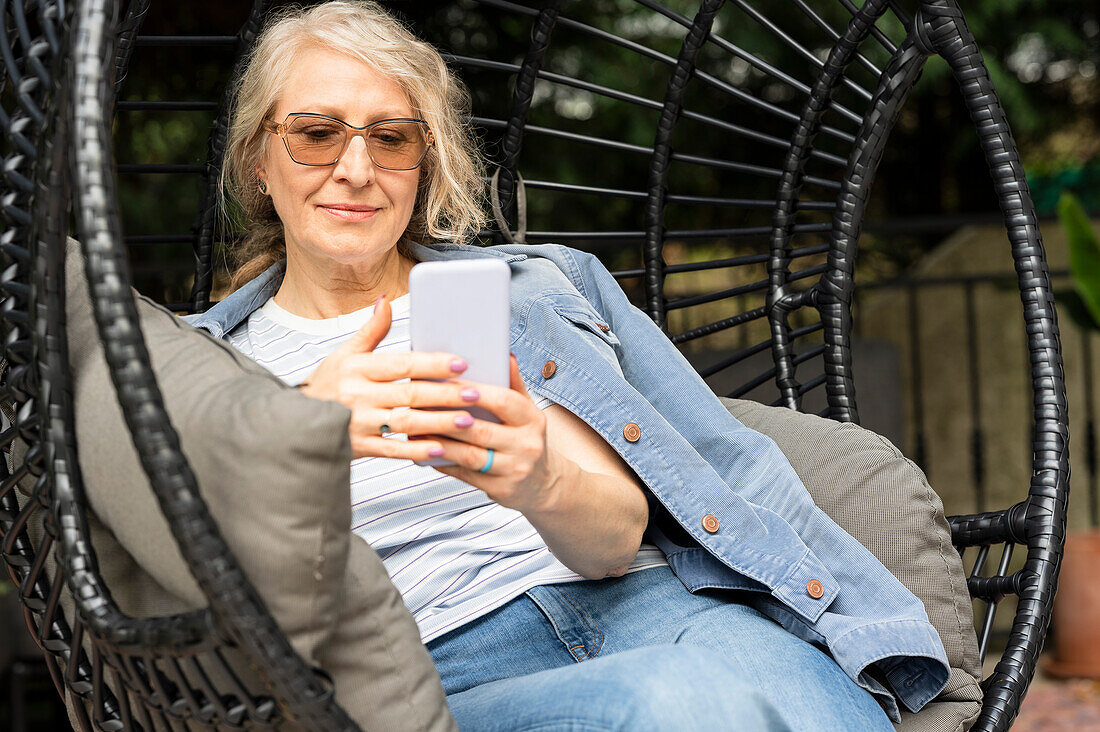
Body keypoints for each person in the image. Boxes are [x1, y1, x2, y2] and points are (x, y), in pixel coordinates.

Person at [186, 2, 950, 729]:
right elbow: (210, 605)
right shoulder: (205, 373)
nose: (357, 168)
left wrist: (538, 480)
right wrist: (299, 435)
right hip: (436, 673)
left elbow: (618, 539)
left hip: (655, 608)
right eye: (317, 133)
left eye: (391, 138)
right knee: (673, 702)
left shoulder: (526, 298)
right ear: (258, 159)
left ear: (425, 163)